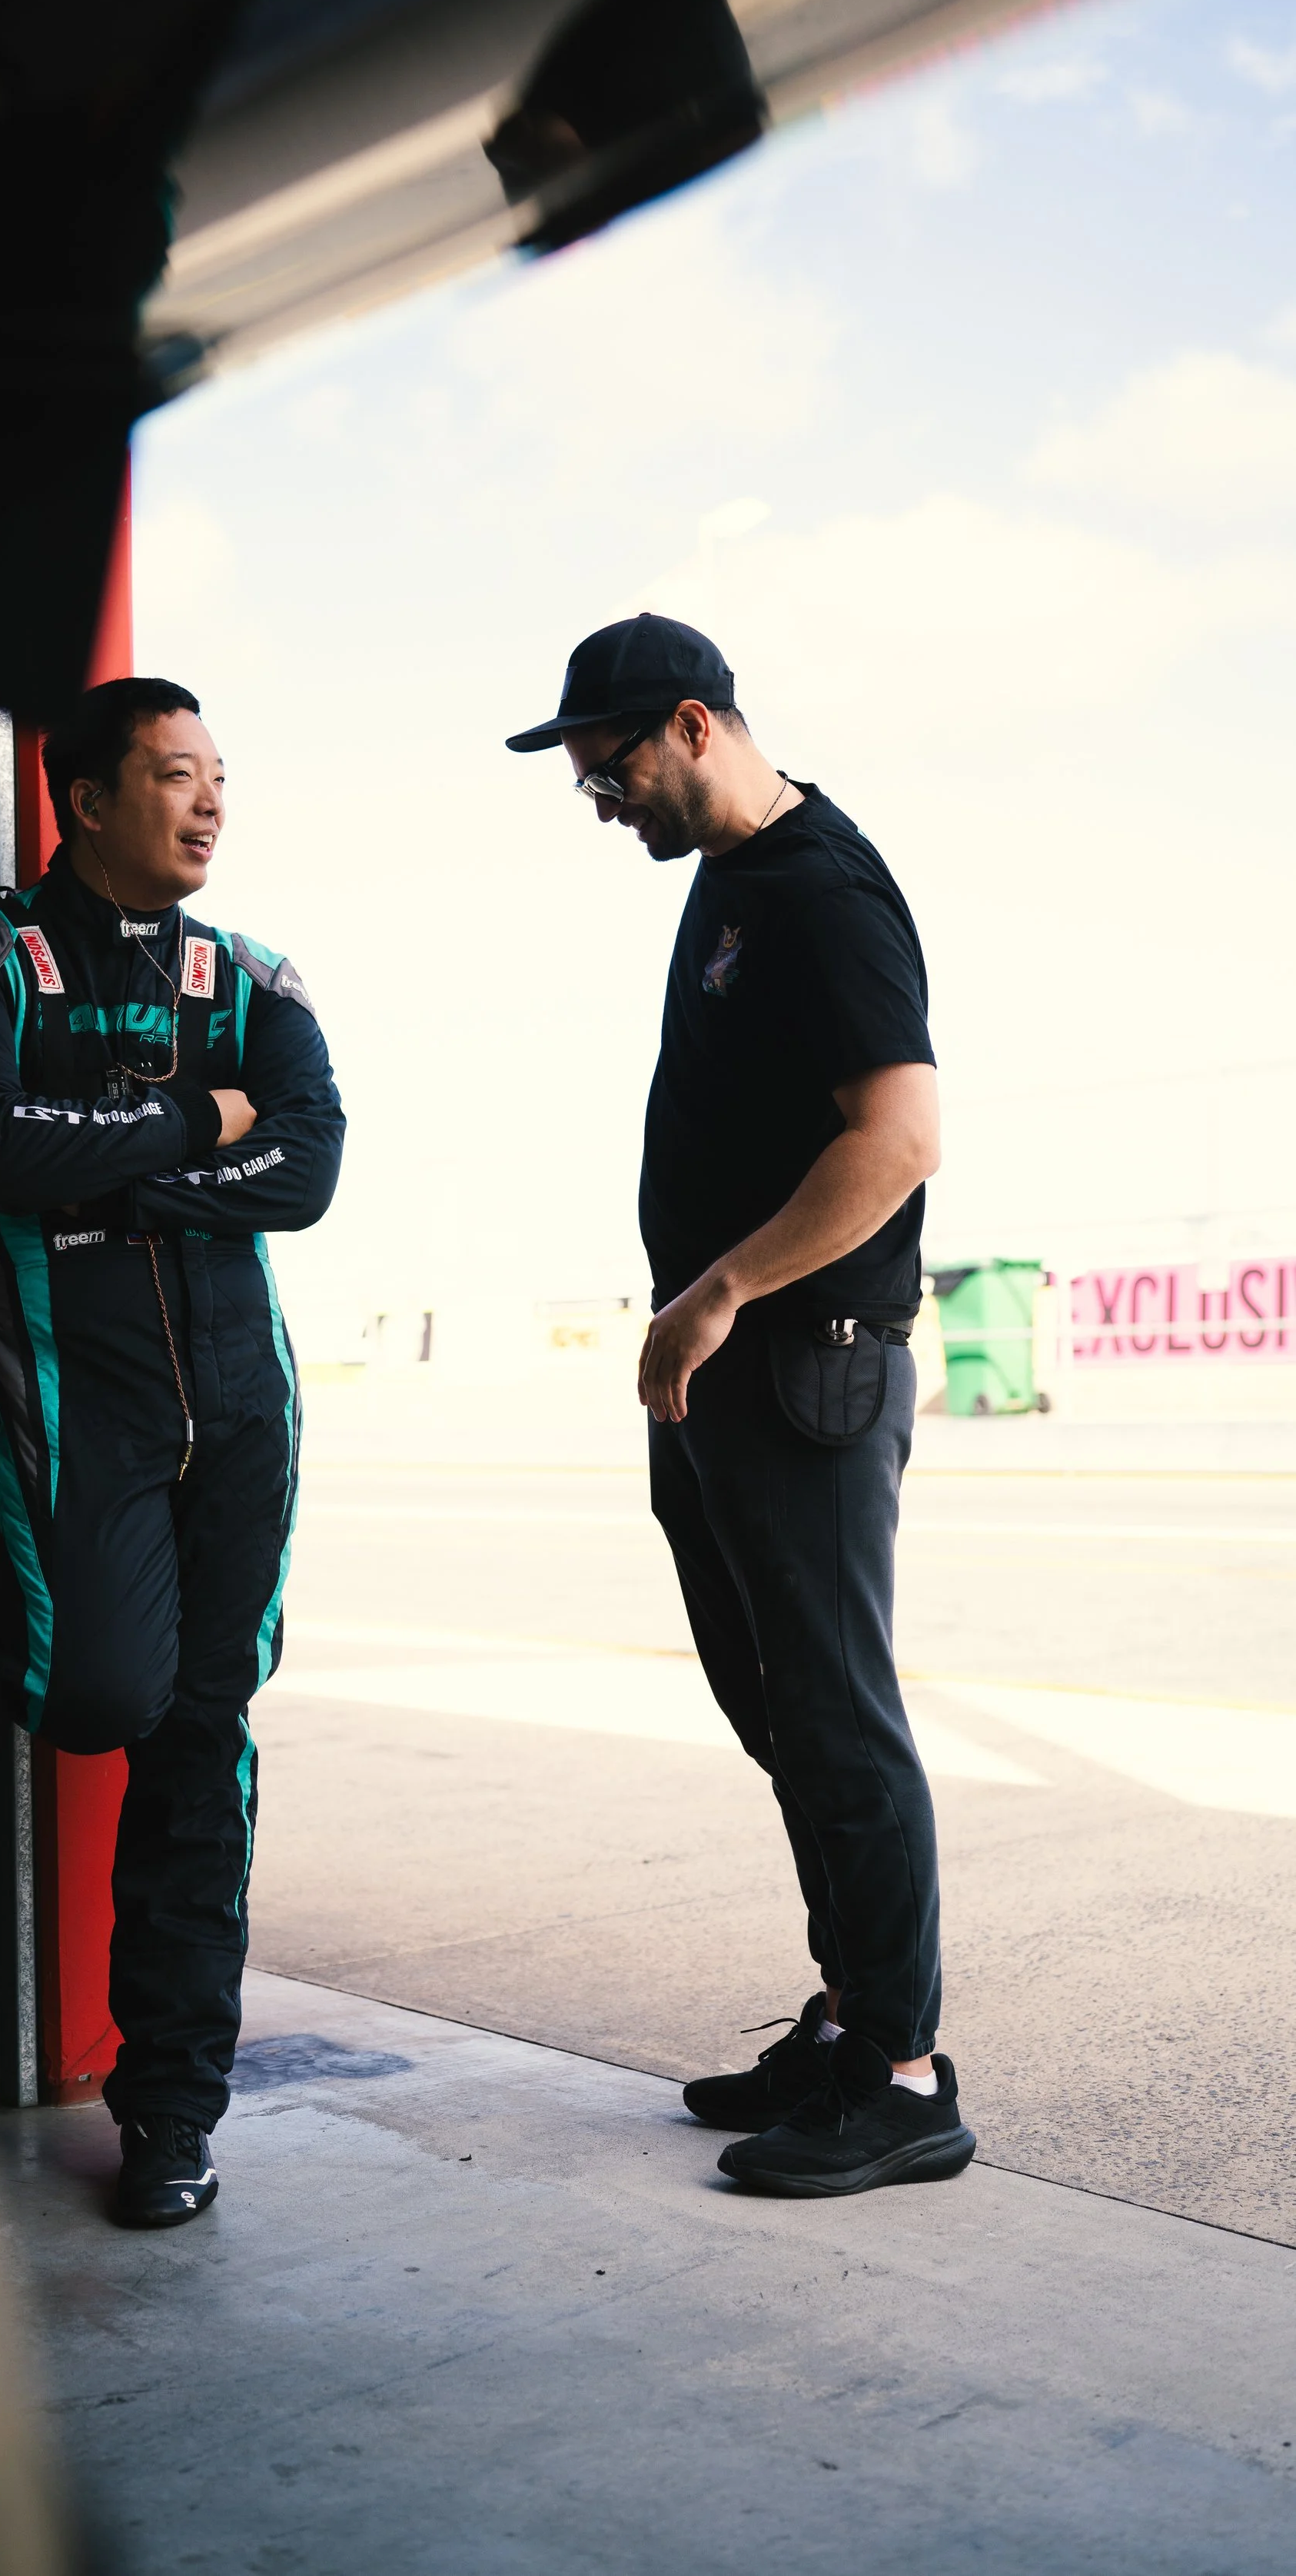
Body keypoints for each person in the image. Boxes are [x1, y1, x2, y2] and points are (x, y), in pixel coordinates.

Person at [507, 613, 975, 2198]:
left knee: (834, 1711)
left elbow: (896, 1137)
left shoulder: (818, 890)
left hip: (801, 1355)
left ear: (695, 724)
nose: (600, 800)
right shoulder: (725, 879)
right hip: (726, 1371)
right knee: (775, 1709)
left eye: (611, 768)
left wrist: (717, 1291)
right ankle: (849, 2015)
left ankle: (904, 2075)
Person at [0, 676, 344, 2227]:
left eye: (219, 774)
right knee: (100, 1695)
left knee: (201, 1737)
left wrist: (125, 1171)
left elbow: (307, 1167)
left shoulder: (254, 972)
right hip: (74, 1401)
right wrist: (196, 1124)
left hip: (240, 1405)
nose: (209, 801)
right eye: (173, 774)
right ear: (78, 795)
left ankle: (170, 2109)